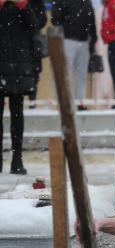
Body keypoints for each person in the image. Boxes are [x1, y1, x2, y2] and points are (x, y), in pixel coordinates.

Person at [0, 0, 39, 174]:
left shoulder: (25, 3)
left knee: (17, 115)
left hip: (19, 66)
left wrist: (23, 6)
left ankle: (17, 159)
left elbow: (35, 26)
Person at [52, 0, 98, 111]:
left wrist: (93, 38)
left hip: (84, 42)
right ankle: (64, 102)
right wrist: (64, 30)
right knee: (65, 73)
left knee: (81, 75)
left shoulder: (87, 3)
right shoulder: (63, 2)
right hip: (68, 40)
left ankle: (79, 102)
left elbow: (91, 21)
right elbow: (55, 19)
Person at [28, 0, 47, 109]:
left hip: (35, 40)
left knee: (35, 72)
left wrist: (33, 25)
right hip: (21, 41)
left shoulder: (38, 2)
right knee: (21, 74)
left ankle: (32, 103)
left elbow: (44, 19)